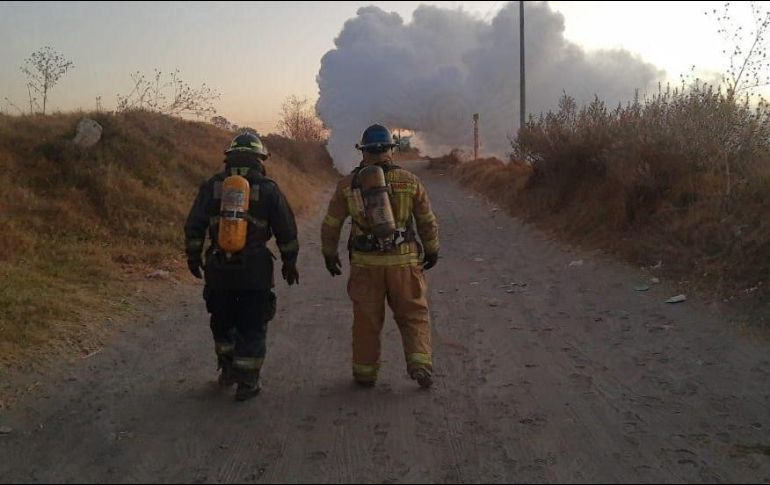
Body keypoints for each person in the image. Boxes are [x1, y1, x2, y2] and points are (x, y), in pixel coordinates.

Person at [321, 124, 440, 388]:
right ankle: (420, 364)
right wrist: (432, 249)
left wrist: (329, 254)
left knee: (366, 321)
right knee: (414, 315)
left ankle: (365, 373)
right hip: (404, 264)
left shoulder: (347, 185)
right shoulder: (410, 181)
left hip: (366, 266)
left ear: (363, 152)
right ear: (390, 150)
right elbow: (426, 221)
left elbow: (331, 224)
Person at [184, 132, 300, 401]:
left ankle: (227, 370)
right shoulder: (269, 189)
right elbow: (287, 230)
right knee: (252, 324)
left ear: (229, 158)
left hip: (219, 269)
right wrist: (289, 263)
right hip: (255, 271)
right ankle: (248, 381)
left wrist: (193, 256)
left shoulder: (212, 185)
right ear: (260, 159)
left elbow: (194, 225)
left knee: (222, 321)